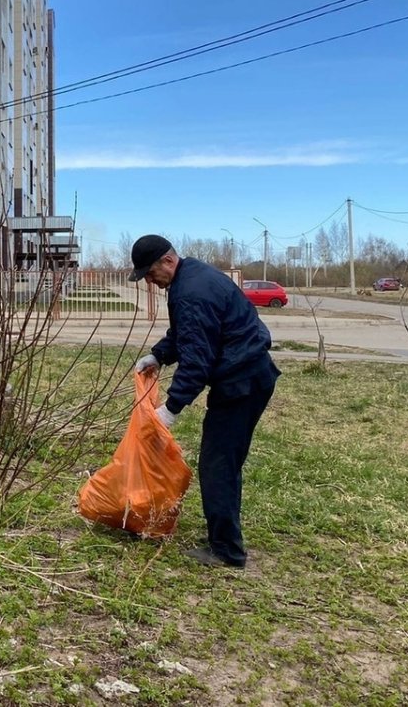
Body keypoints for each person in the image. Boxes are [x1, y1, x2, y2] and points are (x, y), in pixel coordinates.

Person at [129, 234, 279, 568]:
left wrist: (171, 408)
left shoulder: (191, 292)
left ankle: (227, 550)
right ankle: (224, 536)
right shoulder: (192, 277)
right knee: (223, 461)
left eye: (151, 274)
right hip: (248, 377)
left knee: (218, 464)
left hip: (242, 384)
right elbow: (188, 332)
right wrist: (159, 354)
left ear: (168, 261)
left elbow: (198, 359)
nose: (151, 282)